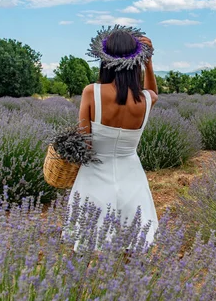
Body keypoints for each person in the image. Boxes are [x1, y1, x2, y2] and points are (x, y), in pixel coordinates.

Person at [67, 26, 159, 250]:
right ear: (136, 60)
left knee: (85, 244)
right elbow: (152, 90)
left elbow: (84, 141)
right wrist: (148, 62)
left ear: (104, 59)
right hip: (131, 175)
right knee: (133, 244)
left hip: (95, 175)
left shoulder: (92, 92)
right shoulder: (147, 99)